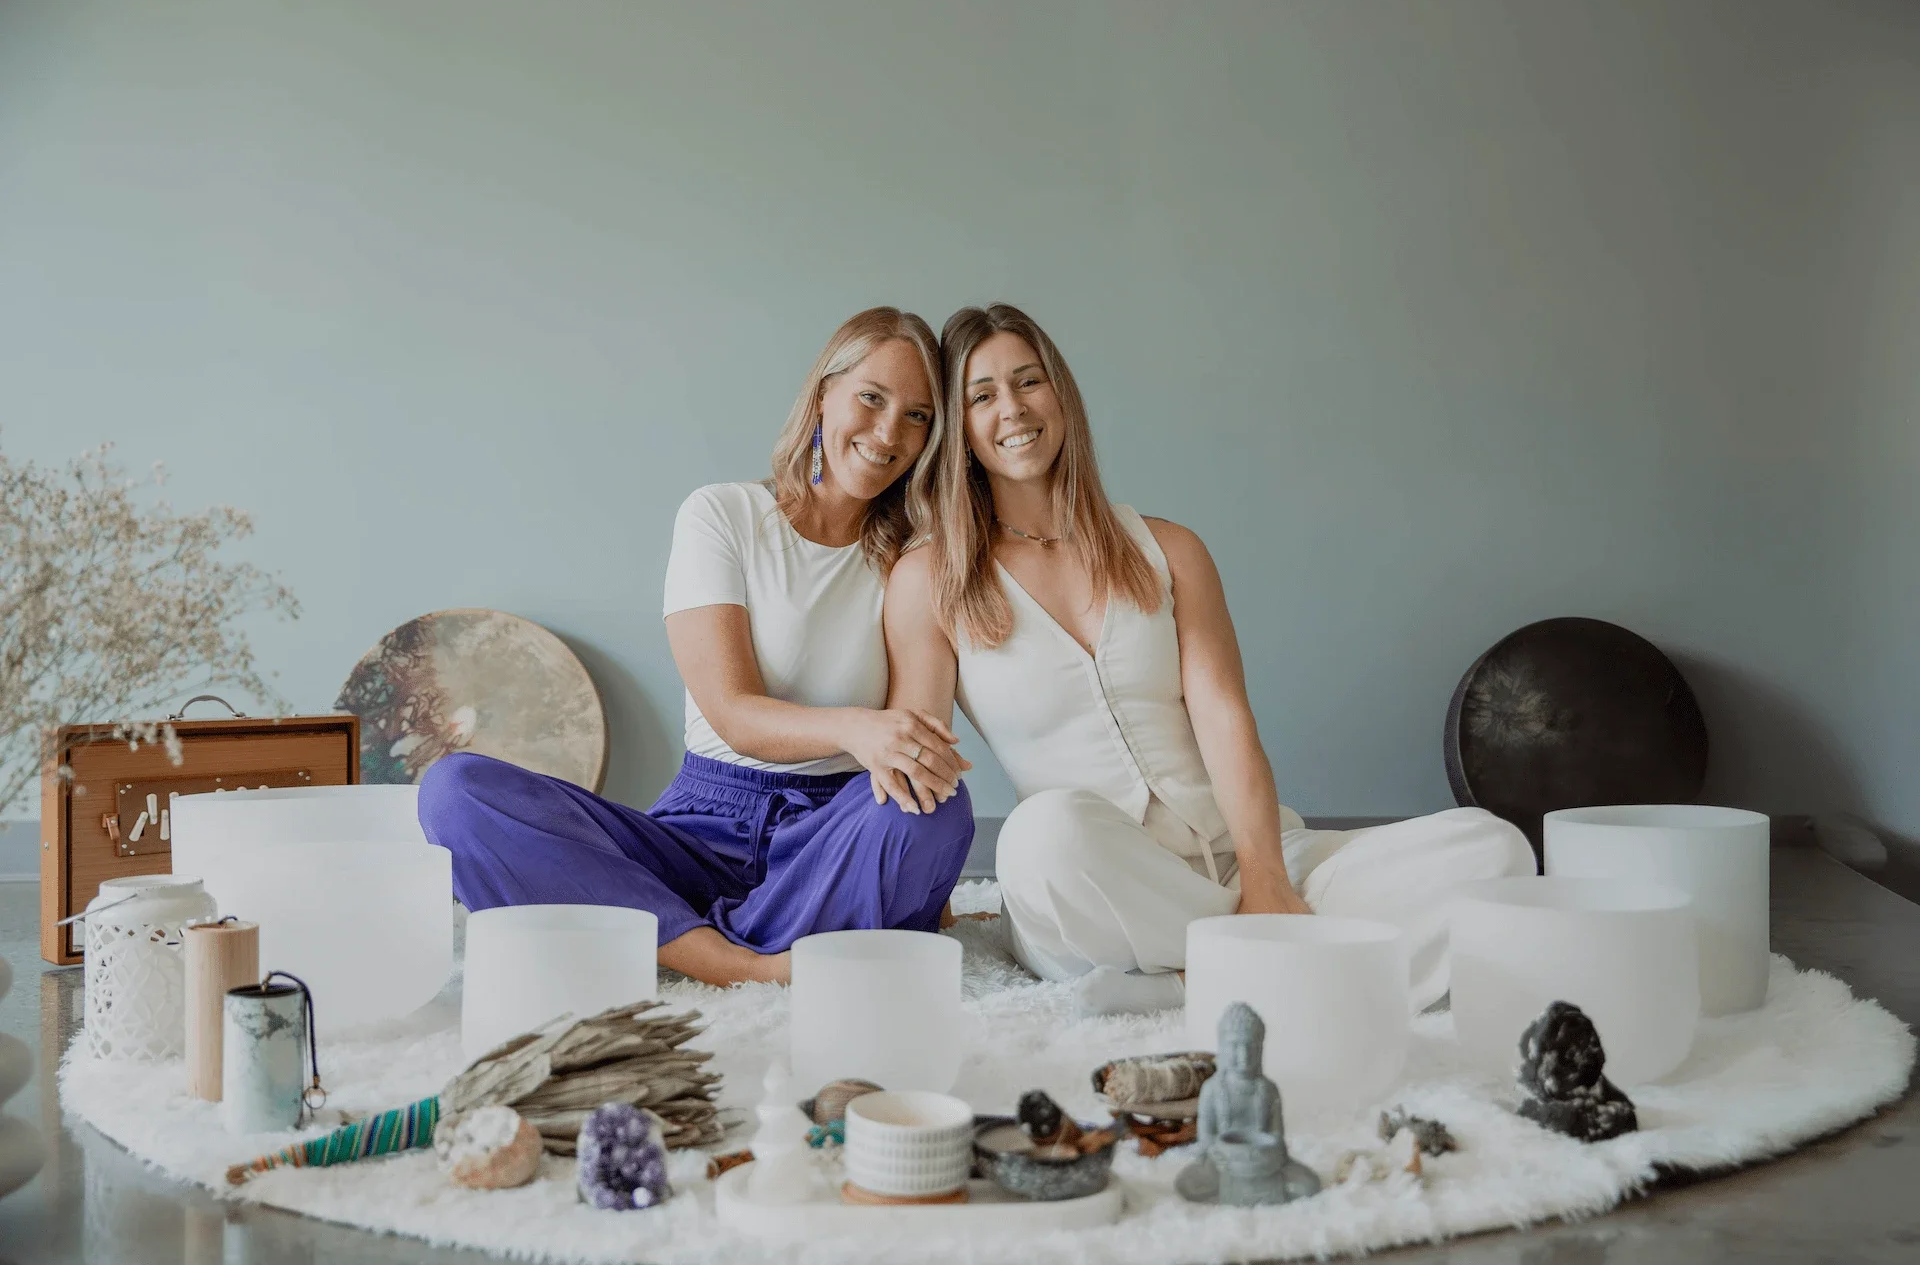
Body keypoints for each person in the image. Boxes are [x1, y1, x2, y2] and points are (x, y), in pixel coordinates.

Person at [882, 303, 1531, 1016]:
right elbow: (919, 761)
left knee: (1494, 849)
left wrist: (1267, 878)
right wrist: (926, 902)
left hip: (1241, 856)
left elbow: (1226, 719)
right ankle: (1312, 973)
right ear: (960, 428)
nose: (1013, 408)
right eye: (982, 395)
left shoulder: (1169, 550)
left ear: (1060, 395)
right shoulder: (932, 579)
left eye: (1029, 381)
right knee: (1041, 836)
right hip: (1100, 883)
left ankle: (1183, 986)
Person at [421, 307, 975, 988]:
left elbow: (916, 755)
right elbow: (733, 712)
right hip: (698, 828)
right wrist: (856, 729)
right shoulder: (724, 514)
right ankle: (737, 959)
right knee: (455, 791)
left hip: (829, 838)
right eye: (871, 397)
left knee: (940, 805)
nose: (889, 432)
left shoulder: (914, 563)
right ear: (823, 394)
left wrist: (919, 848)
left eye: (918, 416)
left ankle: (660, 931)